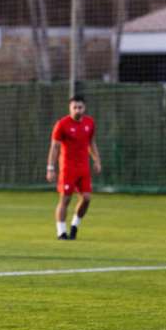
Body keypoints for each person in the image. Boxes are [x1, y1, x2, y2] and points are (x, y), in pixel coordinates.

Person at [46, 95, 102, 240]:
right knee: (65, 199)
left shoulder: (90, 123)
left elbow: (91, 143)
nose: (78, 110)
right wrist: (50, 168)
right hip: (67, 169)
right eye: (75, 107)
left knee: (87, 198)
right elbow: (54, 147)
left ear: (85, 108)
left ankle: (75, 226)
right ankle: (61, 232)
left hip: (83, 168)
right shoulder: (62, 124)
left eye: (80, 107)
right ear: (70, 108)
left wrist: (96, 160)